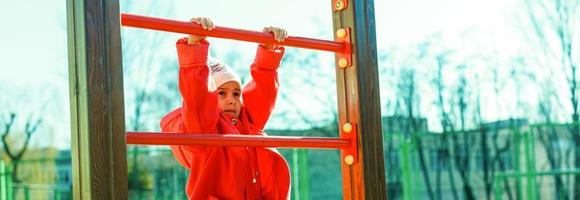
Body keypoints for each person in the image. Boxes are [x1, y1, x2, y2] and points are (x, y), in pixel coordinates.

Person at [160, 17, 291, 199]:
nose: (231, 100)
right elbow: (197, 98)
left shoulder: (248, 126)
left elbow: (263, 94)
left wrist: (268, 55)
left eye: (237, 94)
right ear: (209, 94)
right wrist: (195, 47)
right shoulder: (202, 131)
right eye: (221, 93)